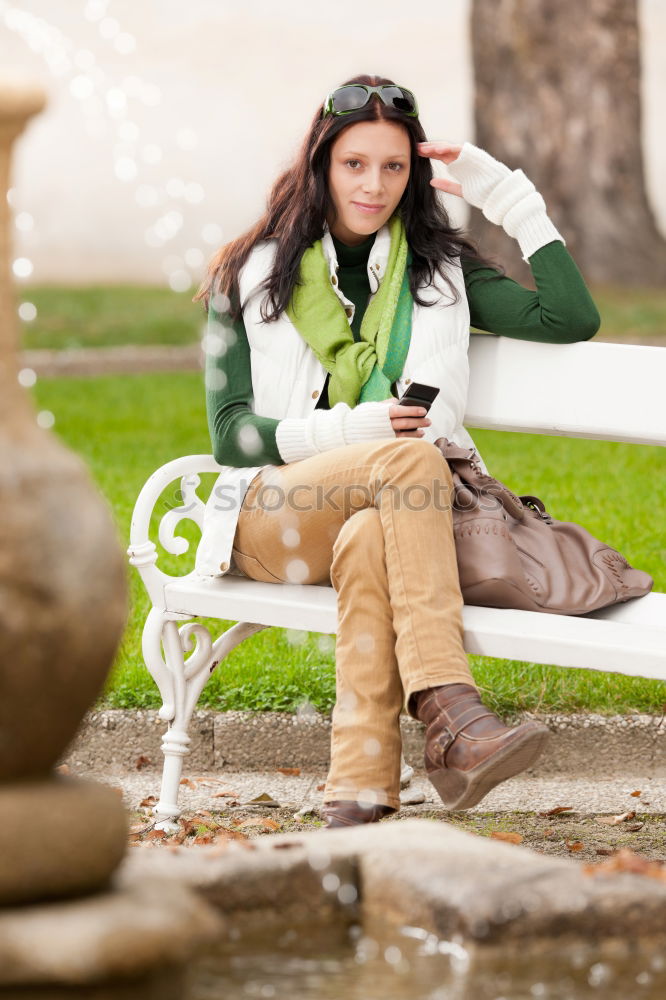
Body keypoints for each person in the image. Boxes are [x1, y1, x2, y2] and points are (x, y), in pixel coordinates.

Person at [192, 75, 600, 829]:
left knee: (373, 533)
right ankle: (451, 710)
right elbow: (231, 435)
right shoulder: (246, 272)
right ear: (320, 166)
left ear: (415, 174)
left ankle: (358, 796)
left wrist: (504, 192)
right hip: (273, 513)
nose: (373, 185)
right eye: (354, 164)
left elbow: (570, 316)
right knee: (412, 457)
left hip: (391, 517)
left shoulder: (443, 272)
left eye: (393, 166)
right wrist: (360, 430)